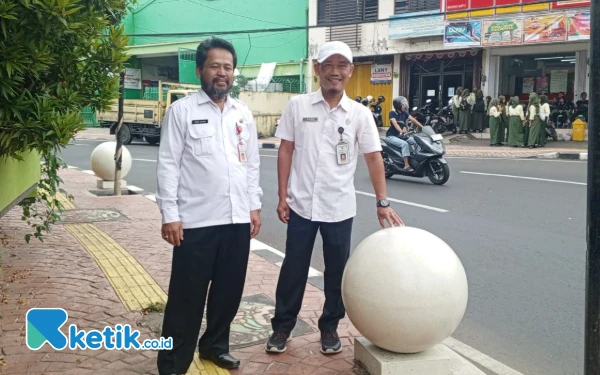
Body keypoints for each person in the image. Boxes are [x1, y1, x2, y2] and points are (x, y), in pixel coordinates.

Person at [267, 41, 404, 356]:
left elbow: (373, 157)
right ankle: (282, 327)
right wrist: (282, 195)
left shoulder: (359, 114)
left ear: (350, 71)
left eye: (342, 65)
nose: (334, 72)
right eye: (328, 65)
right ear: (317, 69)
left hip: (340, 207)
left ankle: (330, 328)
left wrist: (382, 201)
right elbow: (286, 149)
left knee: (337, 271)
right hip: (301, 205)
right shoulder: (297, 106)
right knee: (293, 269)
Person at [155, 37, 263, 374]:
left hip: (235, 221)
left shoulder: (242, 113)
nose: (222, 73)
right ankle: (173, 363)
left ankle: (215, 345)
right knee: (186, 299)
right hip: (196, 223)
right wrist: (170, 215)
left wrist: (253, 206)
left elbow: (252, 165)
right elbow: (168, 165)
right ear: (200, 69)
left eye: (228, 67)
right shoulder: (182, 111)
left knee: (228, 293)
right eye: (215, 66)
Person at [385, 96, 424, 172]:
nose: (405, 106)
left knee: (417, 141)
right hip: (392, 136)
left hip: (401, 136)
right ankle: (406, 166)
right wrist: (400, 131)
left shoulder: (404, 113)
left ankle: (417, 160)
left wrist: (423, 127)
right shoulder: (392, 113)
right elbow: (394, 123)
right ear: (398, 105)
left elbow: (413, 119)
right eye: (403, 104)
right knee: (404, 144)